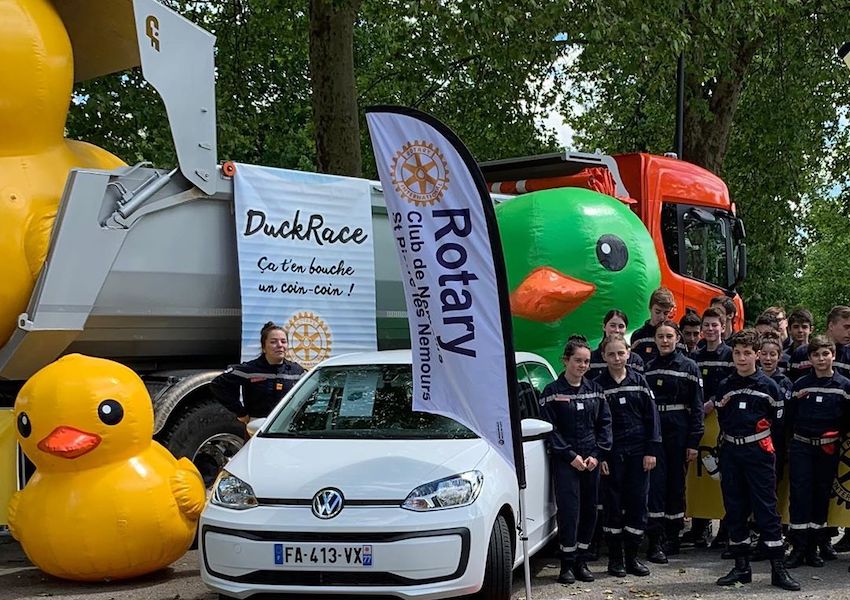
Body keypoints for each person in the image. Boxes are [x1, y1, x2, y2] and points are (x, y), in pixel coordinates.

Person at [713, 330, 799, 590]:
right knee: (735, 508)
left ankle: (778, 569)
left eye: (747, 353)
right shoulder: (725, 385)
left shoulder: (770, 386)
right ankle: (741, 568)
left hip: (759, 453)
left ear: (758, 355)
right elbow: (720, 415)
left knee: (766, 510)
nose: (741, 358)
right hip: (731, 452)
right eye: (737, 353)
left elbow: (780, 422)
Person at [540, 336, 613, 584]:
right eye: (577, 361)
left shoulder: (596, 391)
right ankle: (567, 565)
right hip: (566, 462)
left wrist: (596, 455)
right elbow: (550, 429)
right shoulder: (551, 392)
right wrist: (570, 456)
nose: (582, 366)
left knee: (589, 510)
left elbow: (605, 425)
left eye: (586, 362)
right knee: (569, 512)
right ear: (565, 361)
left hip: (590, 460)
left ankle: (582, 561)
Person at [596, 333, 660, 578]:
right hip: (611, 455)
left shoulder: (640, 382)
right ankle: (615, 560)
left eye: (621, 353)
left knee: (637, 504)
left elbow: (652, 418)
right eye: (611, 354)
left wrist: (651, 450)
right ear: (603, 356)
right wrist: (600, 456)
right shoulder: (597, 386)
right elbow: (595, 424)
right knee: (612, 506)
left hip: (638, 453)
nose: (616, 358)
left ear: (628, 353)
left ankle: (632, 558)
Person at [786, 335, 850, 568]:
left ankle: (814, 548)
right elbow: (788, 417)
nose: (821, 359)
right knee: (800, 496)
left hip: (827, 449)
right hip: (802, 446)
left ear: (833, 355)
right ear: (810, 358)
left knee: (820, 496)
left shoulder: (844, 386)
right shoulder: (800, 385)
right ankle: (798, 548)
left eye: (826, 353)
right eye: (816, 354)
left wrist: (837, 434)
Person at [644, 320, 704, 562]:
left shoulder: (690, 367)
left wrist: (693, 441)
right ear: (655, 339)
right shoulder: (648, 368)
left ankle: (673, 535)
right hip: (655, 429)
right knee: (656, 485)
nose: (665, 341)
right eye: (661, 336)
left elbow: (698, 406)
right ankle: (655, 538)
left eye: (669, 336)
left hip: (678, 428)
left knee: (676, 485)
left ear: (677, 339)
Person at [683, 307, 734, 549]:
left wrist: (713, 401)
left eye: (715, 325)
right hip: (699, 421)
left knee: (721, 474)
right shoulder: (695, 356)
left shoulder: (731, 355)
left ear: (723, 327)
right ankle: (699, 527)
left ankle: (725, 527)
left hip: (722, 420)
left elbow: (732, 383)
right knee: (699, 476)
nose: (711, 329)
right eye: (707, 326)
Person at [211, 321, 306, 423]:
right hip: (257, 428)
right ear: (264, 347)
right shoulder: (250, 369)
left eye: (283, 341)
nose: (280, 345)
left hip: (286, 428)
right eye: (273, 342)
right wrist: (240, 412)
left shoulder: (297, 371)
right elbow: (218, 385)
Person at [588, 310, 645, 380]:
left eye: (621, 326)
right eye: (612, 325)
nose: (617, 330)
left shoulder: (635, 360)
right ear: (604, 327)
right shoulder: (591, 358)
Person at [631, 287, 676, 362]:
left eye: (666, 313)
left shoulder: (675, 335)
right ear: (650, 308)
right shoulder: (639, 335)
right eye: (657, 312)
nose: (661, 317)